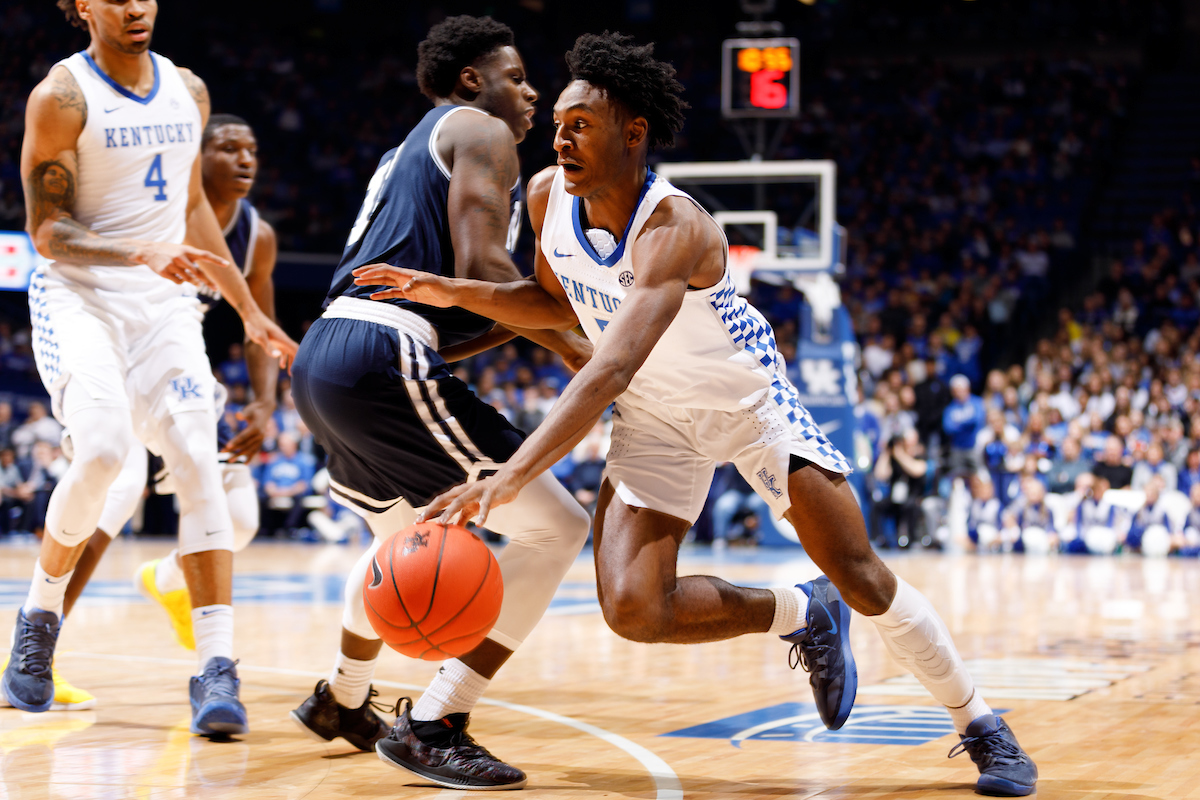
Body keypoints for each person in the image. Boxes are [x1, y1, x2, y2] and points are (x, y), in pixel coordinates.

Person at [360, 31, 1037, 797]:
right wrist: (450, 291)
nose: (559, 137)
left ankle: (983, 727)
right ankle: (797, 613)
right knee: (633, 608)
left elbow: (611, 363)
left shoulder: (675, 227)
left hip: (748, 406)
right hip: (657, 420)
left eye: (580, 124)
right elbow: (550, 303)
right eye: (557, 123)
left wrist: (512, 474)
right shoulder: (549, 196)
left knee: (859, 573)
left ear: (632, 132)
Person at [288, 16, 592, 790]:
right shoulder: (480, 129)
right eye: (518, 77)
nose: (531, 93)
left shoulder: (411, 148)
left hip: (334, 351)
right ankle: (435, 722)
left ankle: (341, 699)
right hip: (381, 348)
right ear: (472, 81)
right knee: (557, 528)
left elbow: (467, 313)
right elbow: (484, 266)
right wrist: (582, 331)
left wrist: (562, 339)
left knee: (403, 542)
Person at [11, 0, 295, 736]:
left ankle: (216, 669)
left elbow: (196, 206)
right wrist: (136, 251)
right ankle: (38, 620)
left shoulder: (188, 90)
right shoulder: (63, 96)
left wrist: (248, 311)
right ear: (83, 6)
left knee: (199, 460)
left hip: (166, 304)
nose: (136, 5)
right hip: (81, 295)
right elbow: (47, 232)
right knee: (104, 450)